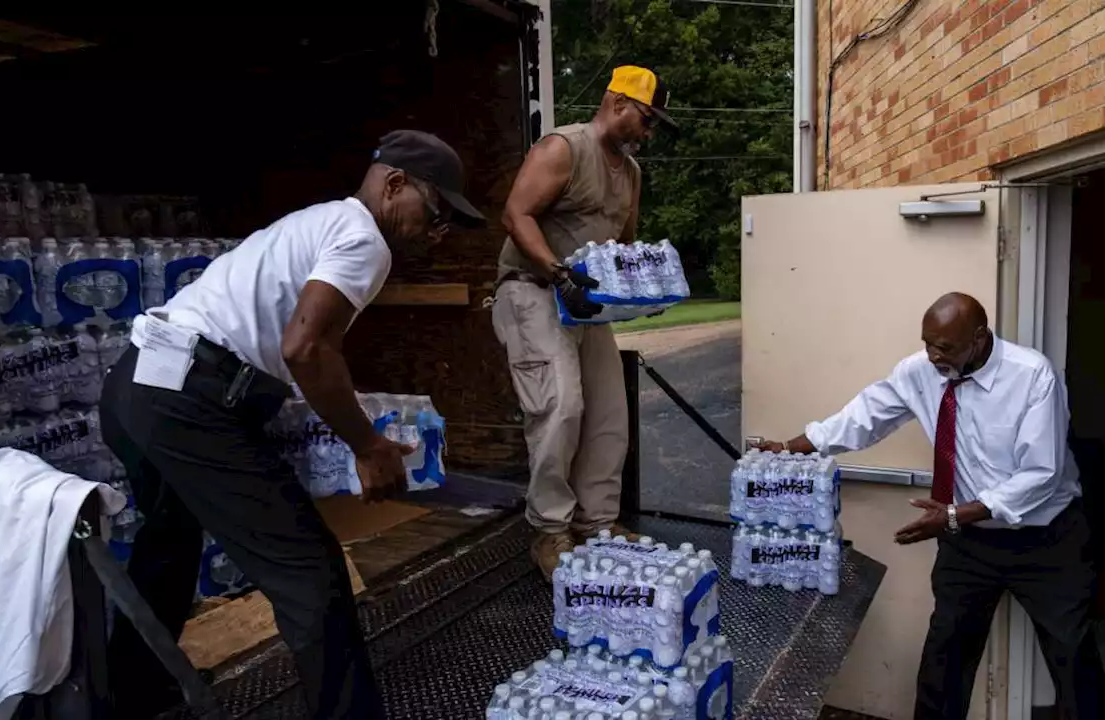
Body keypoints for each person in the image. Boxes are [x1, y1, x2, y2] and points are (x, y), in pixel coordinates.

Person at [99, 130, 484, 719]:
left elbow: (288, 349)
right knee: (309, 570)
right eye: (434, 212)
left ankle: (130, 693)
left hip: (137, 385)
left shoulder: (323, 222)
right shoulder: (363, 238)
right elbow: (306, 349)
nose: (436, 232)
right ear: (395, 185)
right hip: (185, 400)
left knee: (169, 542)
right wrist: (368, 445)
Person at [758, 293, 1105, 720]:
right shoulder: (920, 371)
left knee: (1071, 655)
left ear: (979, 338)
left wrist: (953, 515)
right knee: (945, 657)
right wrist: (789, 448)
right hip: (968, 544)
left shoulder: (1032, 375)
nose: (932, 355)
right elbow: (865, 415)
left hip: (1047, 540)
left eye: (944, 347)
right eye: (927, 343)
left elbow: (1042, 474)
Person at [493, 65, 676, 578]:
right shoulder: (564, 149)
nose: (649, 132)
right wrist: (557, 272)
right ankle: (550, 532)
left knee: (609, 413)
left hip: (586, 304)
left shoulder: (632, 175)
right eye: (646, 119)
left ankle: (598, 524)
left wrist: (644, 288)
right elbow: (516, 214)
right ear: (617, 103)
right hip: (532, 292)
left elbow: (622, 248)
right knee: (562, 405)